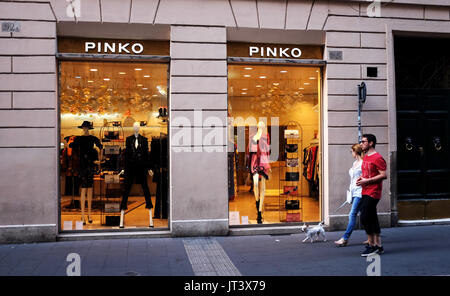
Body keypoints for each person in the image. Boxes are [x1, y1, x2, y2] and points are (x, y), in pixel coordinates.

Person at [356, 134, 387, 256]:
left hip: (374, 191)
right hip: (365, 190)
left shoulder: (377, 157)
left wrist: (367, 181)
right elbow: (368, 173)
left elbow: (383, 175)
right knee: (372, 217)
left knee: (365, 217)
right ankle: (378, 246)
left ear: (371, 143)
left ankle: (372, 245)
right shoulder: (366, 157)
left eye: (363, 141)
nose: (361, 143)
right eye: (361, 141)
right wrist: (361, 178)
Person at [334, 143, 363, 246]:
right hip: (353, 191)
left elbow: (366, 177)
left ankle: (345, 238)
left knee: (352, 214)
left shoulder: (363, 163)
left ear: (356, 152)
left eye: (352, 151)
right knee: (365, 215)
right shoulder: (354, 163)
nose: (351, 153)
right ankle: (372, 235)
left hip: (360, 192)